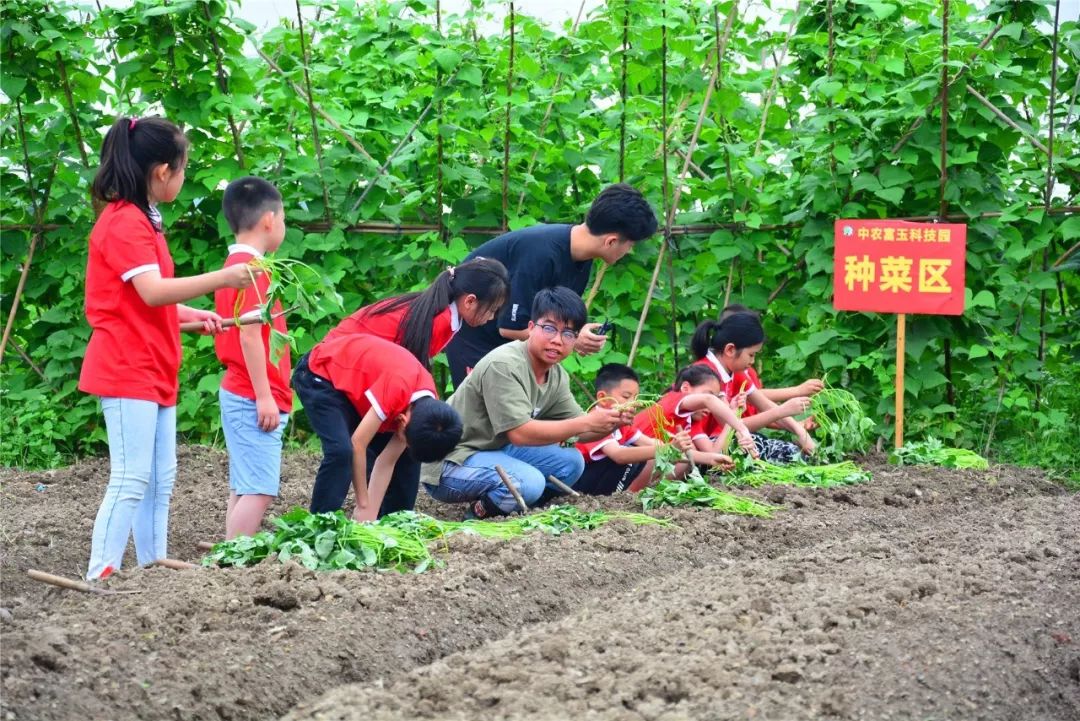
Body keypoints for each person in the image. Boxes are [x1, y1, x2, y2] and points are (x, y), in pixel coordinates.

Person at [79, 116, 254, 580]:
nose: (182, 176)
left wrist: (191, 317)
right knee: (132, 477)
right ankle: (101, 572)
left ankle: (151, 562)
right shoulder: (123, 224)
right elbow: (154, 292)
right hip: (125, 365)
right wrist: (223, 278)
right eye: (182, 168)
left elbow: (143, 300)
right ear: (161, 172)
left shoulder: (144, 222)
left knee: (160, 477)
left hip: (154, 364)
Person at [421, 287, 631, 517]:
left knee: (572, 462)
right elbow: (520, 434)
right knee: (529, 482)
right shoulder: (504, 364)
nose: (557, 340)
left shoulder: (556, 375)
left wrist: (612, 423)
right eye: (549, 328)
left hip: (494, 450)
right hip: (451, 461)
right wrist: (587, 423)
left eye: (568, 333)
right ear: (531, 328)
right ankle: (478, 514)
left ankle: (518, 508)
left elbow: (580, 429)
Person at [444, 184, 658, 386]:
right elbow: (511, 327)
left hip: (513, 348)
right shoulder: (542, 254)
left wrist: (577, 332)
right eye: (630, 245)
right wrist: (572, 338)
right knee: (485, 420)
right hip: (476, 339)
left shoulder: (581, 258)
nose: (629, 251)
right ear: (611, 241)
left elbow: (546, 317)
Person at [292, 334, 463, 521]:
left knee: (404, 460)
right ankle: (320, 525)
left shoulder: (428, 411)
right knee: (341, 451)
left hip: (358, 385)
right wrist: (363, 503)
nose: (403, 442)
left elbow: (387, 461)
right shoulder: (396, 391)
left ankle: (389, 521)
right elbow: (358, 443)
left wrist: (369, 513)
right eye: (406, 439)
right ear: (403, 421)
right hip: (319, 373)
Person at [213, 176, 291, 539]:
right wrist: (265, 395)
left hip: (243, 390)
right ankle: (233, 562)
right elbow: (249, 334)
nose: (284, 226)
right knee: (259, 489)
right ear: (269, 220)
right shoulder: (250, 271)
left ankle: (231, 557)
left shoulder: (238, 265)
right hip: (251, 393)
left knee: (245, 486)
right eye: (285, 219)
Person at [321, 257, 510, 368]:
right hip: (335, 358)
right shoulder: (439, 321)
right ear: (470, 301)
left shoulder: (441, 310)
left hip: (347, 357)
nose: (492, 317)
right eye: (492, 310)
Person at [690, 314, 815, 463]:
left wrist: (800, 432)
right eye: (751, 355)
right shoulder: (707, 375)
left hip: (720, 441)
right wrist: (782, 410)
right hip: (702, 447)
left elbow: (764, 404)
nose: (752, 361)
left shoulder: (734, 371)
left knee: (794, 453)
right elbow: (732, 426)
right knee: (755, 445)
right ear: (730, 350)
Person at [568, 363, 694, 496]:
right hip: (579, 482)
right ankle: (611, 499)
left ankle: (621, 497)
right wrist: (668, 449)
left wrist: (677, 449)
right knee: (631, 456)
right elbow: (618, 455)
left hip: (599, 477)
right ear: (602, 398)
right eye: (626, 397)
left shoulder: (622, 424)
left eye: (635, 398)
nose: (634, 403)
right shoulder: (595, 420)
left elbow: (654, 444)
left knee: (645, 454)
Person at [628, 364, 758, 488]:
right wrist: (743, 429)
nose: (710, 407)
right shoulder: (673, 399)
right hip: (628, 465)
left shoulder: (690, 420)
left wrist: (734, 414)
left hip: (641, 466)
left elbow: (712, 452)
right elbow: (708, 400)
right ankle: (635, 493)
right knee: (680, 455)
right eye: (709, 393)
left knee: (687, 454)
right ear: (685, 388)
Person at [719, 304, 823, 430]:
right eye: (751, 354)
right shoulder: (717, 374)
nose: (752, 360)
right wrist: (797, 391)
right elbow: (734, 424)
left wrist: (798, 427)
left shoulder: (744, 370)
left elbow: (762, 411)